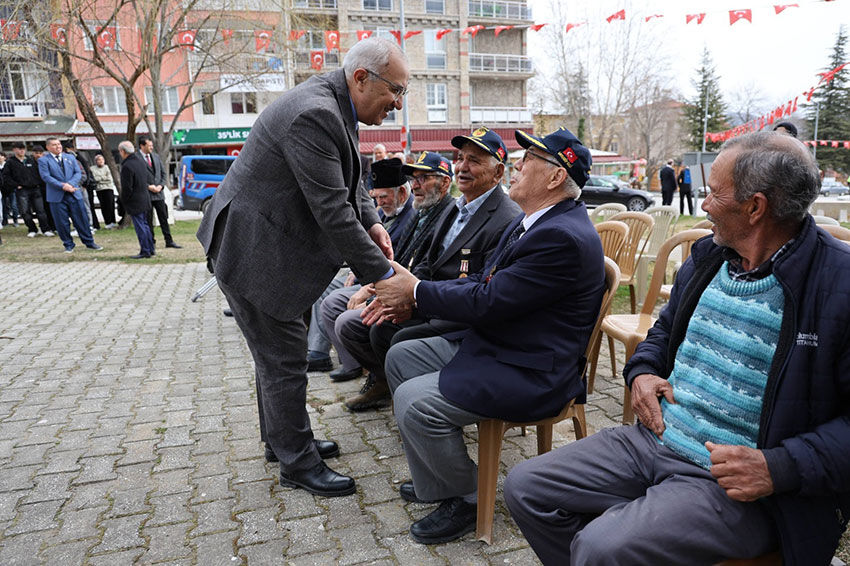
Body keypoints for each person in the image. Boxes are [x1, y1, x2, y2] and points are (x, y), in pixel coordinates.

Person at [504, 131, 850, 565]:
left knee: (601, 547)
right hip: (655, 439)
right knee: (526, 487)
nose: (703, 205)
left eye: (713, 193)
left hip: (734, 483)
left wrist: (779, 468)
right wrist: (643, 371)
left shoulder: (838, 284)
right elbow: (663, 333)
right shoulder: (710, 258)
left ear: (755, 207)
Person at [196, 37, 409, 497]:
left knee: (275, 357)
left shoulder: (338, 105)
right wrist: (385, 278)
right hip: (254, 254)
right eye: (396, 90)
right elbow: (332, 211)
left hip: (264, 247)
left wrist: (373, 223)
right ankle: (297, 462)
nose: (398, 103)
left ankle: (283, 441)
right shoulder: (315, 114)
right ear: (361, 78)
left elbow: (351, 183)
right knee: (284, 358)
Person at [374, 127, 605, 545]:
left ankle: (467, 496)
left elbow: (488, 300)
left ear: (556, 177)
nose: (517, 165)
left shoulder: (561, 237)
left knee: (414, 401)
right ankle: (439, 478)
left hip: (531, 368)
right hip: (503, 344)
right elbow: (483, 281)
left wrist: (417, 291)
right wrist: (418, 291)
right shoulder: (535, 221)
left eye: (529, 159)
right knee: (401, 357)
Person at [337, 129, 520, 411]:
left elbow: (481, 288)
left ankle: (420, 407)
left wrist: (415, 300)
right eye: (460, 158)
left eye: (474, 161)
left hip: (459, 314)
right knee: (374, 327)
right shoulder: (458, 206)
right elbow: (427, 263)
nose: (462, 167)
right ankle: (394, 392)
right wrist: (398, 296)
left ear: (497, 173)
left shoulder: (506, 217)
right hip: (432, 300)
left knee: (396, 338)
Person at [319, 151, 456, 384]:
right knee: (331, 300)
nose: (416, 185)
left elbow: (425, 270)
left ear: (444, 183)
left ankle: (382, 380)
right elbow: (399, 258)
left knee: (355, 322)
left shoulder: (446, 214)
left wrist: (376, 294)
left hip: (419, 296)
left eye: (423, 178)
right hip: (395, 284)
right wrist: (373, 288)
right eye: (414, 179)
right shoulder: (421, 212)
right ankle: (377, 377)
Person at [305, 158, 415, 375]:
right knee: (322, 286)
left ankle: (347, 362)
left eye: (384, 197)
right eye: (377, 197)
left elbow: (399, 262)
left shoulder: (410, 216)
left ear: (402, 193)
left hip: (383, 280)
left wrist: (365, 283)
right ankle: (319, 351)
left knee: (332, 299)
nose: (379, 203)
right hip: (366, 275)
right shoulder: (384, 213)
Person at [37, 138, 101, 253]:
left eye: (59, 144)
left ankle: (89, 242)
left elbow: (78, 173)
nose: (58, 146)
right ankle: (68, 244)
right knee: (62, 222)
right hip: (57, 196)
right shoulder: (43, 160)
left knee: (81, 219)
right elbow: (46, 176)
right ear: (48, 147)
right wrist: (62, 186)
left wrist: (70, 184)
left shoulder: (70, 157)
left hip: (74, 193)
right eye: (54, 145)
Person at [138, 136, 181, 249]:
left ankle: (169, 241)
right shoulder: (137, 159)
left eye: (152, 145)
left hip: (159, 193)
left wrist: (161, 186)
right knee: (148, 220)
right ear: (142, 146)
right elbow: (136, 177)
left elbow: (163, 173)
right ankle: (151, 241)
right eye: (149, 146)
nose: (151, 147)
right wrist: (148, 187)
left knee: (163, 218)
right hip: (146, 194)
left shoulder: (156, 157)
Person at [6, 142, 53, 237]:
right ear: (14, 150)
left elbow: (40, 173)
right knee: (25, 211)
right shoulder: (10, 162)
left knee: (41, 210)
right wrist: (15, 185)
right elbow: (6, 176)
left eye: (23, 149)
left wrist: (38, 182)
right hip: (22, 190)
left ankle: (45, 229)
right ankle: (32, 229)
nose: (22, 151)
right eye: (19, 149)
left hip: (36, 189)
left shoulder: (31, 160)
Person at [118, 141, 155, 259]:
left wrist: (124, 200)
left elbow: (127, 187)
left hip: (135, 200)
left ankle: (145, 250)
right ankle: (151, 248)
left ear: (123, 151)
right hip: (144, 197)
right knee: (145, 225)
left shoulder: (127, 166)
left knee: (140, 226)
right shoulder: (140, 161)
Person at [90, 154, 118, 229]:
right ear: (96, 161)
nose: (101, 161)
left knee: (110, 205)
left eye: (102, 159)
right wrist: (103, 177)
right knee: (103, 206)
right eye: (99, 160)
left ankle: (113, 222)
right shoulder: (92, 169)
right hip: (99, 189)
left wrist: (100, 178)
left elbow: (109, 178)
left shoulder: (107, 167)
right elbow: (95, 178)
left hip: (108, 188)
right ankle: (107, 222)